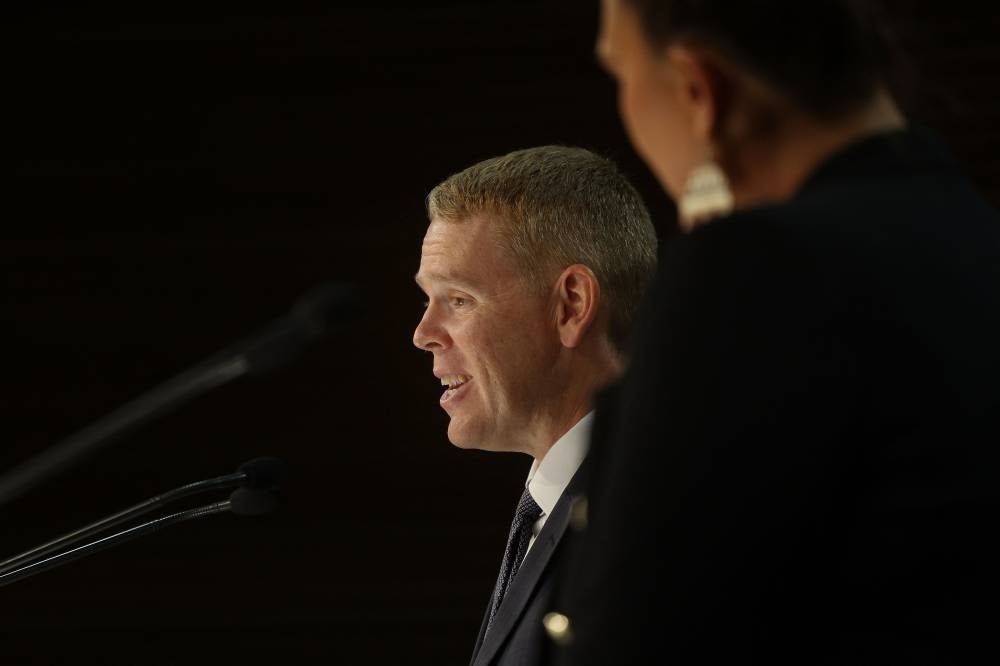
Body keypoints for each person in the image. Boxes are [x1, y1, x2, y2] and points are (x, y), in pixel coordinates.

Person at [547, 1, 1000, 664]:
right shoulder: (977, 240)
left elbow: (630, 632)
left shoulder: (754, 271)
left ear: (699, 89)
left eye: (620, 72)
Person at [412, 145, 657, 666]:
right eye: (427, 299)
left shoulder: (653, 514)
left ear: (570, 305)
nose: (423, 334)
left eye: (458, 299)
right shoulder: (558, 505)